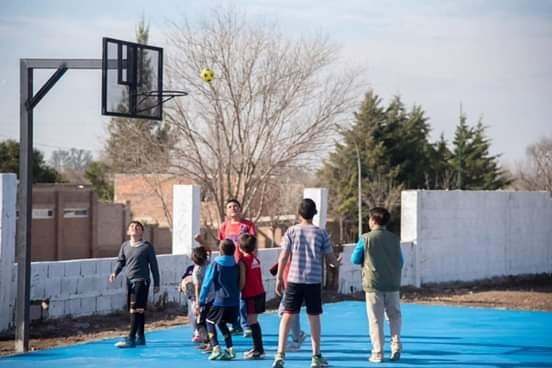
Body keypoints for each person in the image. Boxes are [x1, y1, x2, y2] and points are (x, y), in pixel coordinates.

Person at [272, 199, 339, 368]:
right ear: (315, 213)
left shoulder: (291, 231)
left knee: (287, 314)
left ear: (298, 213)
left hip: (294, 279)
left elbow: (283, 256)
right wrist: (337, 263)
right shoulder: (321, 233)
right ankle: (316, 356)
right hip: (313, 280)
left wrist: (279, 277)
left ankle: (280, 354)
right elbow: (330, 259)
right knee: (314, 317)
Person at [351, 207, 402, 363]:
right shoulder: (394, 239)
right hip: (392, 283)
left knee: (375, 319)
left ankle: (378, 352)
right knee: (394, 315)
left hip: (373, 284)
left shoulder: (365, 238)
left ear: (373, 220)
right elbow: (400, 261)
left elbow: (355, 259)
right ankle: (396, 345)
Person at [108, 221, 160, 348]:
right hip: (129, 281)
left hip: (142, 281)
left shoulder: (147, 247)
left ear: (142, 232)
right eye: (131, 227)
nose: (134, 229)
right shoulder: (125, 246)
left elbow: (153, 265)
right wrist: (115, 272)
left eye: (137, 227)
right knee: (140, 310)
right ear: (128, 231)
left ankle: (130, 338)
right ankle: (140, 337)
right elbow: (121, 262)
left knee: (134, 309)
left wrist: (157, 283)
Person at [199, 239, 243, 360]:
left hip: (220, 301)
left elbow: (206, 283)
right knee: (221, 322)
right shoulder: (236, 265)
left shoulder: (216, 264)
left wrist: (201, 300)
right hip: (234, 302)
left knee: (209, 321)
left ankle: (215, 347)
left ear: (221, 250)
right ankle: (230, 349)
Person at [218, 198, 256, 336]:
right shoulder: (223, 227)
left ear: (240, 209)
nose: (233, 208)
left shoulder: (247, 225)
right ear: (226, 210)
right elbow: (221, 246)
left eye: (235, 206)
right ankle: (234, 324)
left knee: (243, 295)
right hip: (228, 266)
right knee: (231, 295)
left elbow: (253, 245)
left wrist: (251, 262)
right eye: (230, 206)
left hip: (243, 264)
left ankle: (246, 324)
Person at [238, 234, 266, 359]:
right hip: (259, 293)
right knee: (253, 321)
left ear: (239, 247)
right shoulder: (255, 259)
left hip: (250, 294)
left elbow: (243, 281)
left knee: (252, 322)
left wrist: (237, 289)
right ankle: (257, 347)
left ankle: (259, 349)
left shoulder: (243, 262)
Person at [269, 261, 307, 352]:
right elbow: (281, 262)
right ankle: (297, 336)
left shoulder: (292, 252)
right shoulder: (287, 252)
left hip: (293, 285)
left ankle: (297, 338)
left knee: (284, 312)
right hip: (289, 285)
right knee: (292, 312)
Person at [190, 246, 215, 352]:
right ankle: (212, 342)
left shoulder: (197, 270)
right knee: (210, 321)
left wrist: (197, 303)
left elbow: (197, 287)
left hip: (204, 299)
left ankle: (207, 342)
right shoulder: (209, 264)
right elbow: (209, 250)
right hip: (214, 297)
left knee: (200, 322)